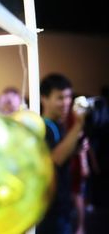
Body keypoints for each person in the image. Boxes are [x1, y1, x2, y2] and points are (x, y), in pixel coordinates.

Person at [36, 73, 86, 234]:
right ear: (44, 98)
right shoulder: (43, 127)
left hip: (61, 207)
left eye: (68, 97)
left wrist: (76, 149)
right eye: (60, 98)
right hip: (50, 212)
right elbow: (56, 158)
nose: (66, 103)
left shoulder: (58, 125)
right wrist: (79, 124)